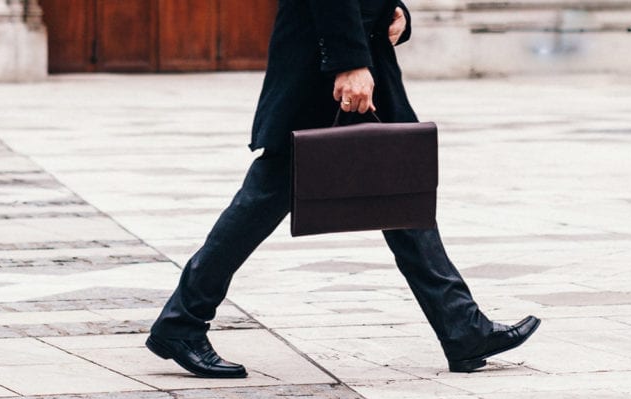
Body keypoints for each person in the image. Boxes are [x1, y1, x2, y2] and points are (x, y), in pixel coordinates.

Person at [145, 0, 540, 378]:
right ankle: (182, 321)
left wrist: (395, 9)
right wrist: (349, 62)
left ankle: (462, 327)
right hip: (328, 68)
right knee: (267, 197)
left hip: (359, 57)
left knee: (402, 191)